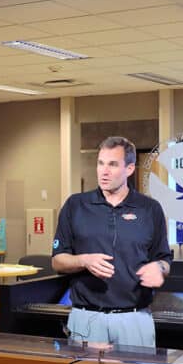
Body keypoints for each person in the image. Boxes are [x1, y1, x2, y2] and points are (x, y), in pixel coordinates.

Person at [51, 136, 172, 349]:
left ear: (130, 168)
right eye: (100, 163)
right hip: (87, 318)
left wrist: (159, 269)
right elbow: (58, 261)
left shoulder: (150, 209)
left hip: (134, 319)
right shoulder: (75, 206)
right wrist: (84, 260)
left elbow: (163, 260)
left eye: (113, 164)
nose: (104, 171)